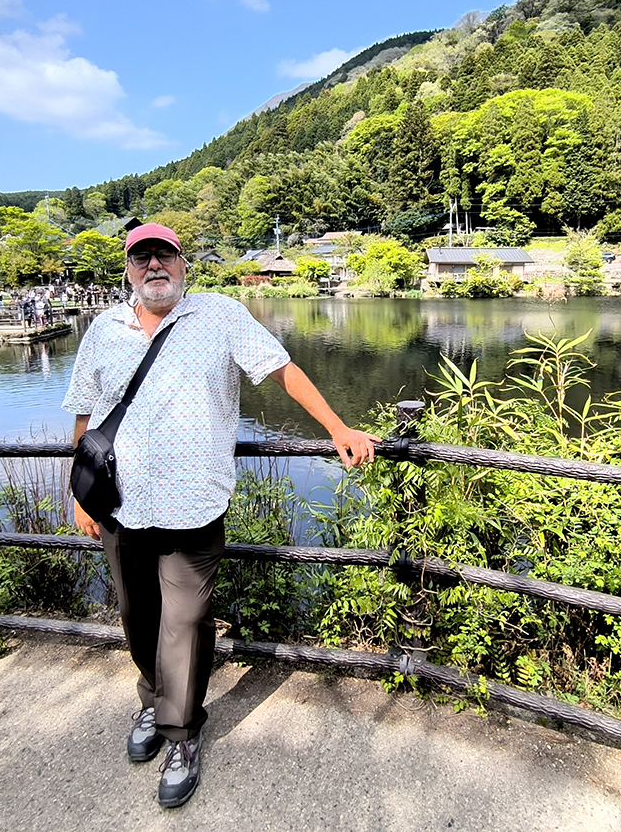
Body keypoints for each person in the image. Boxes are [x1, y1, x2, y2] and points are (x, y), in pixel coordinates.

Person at [62, 223, 378, 809]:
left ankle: (182, 733)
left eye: (164, 255)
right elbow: (85, 414)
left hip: (194, 507)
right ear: (128, 269)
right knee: (136, 616)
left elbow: (282, 370)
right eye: (141, 257)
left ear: (183, 264)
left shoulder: (220, 315)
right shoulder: (102, 330)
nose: (154, 266)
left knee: (185, 622)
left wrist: (337, 427)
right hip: (121, 507)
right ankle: (153, 700)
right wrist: (80, 495)